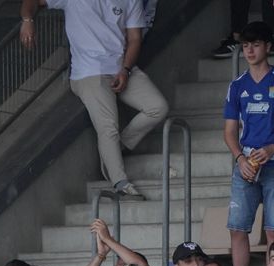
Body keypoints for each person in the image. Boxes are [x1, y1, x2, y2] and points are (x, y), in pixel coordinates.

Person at [25, 0, 169, 201]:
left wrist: (125, 70)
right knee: (108, 126)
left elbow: (135, 38)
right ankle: (120, 183)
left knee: (158, 107)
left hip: (121, 67)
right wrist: (27, 20)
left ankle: (114, 149)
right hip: (89, 73)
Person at [223, 21, 274, 266]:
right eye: (245, 45)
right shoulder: (236, 85)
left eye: (255, 44)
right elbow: (230, 131)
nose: (250, 50)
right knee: (237, 227)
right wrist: (239, 159)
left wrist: (273, 148)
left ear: (268, 46)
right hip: (246, 162)